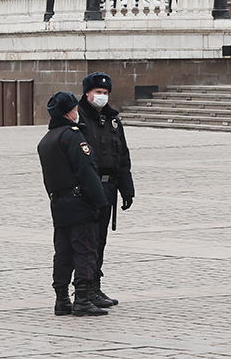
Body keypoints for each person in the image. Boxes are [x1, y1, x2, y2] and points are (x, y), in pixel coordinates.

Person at [37, 91, 109, 317]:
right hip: (80, 202)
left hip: (58, 202)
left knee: (63, 251)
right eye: (75, 109)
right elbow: (86, 170)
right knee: (85, 250)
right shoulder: (73, 136)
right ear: (69, 112)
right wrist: (100, 202)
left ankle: (61, 298)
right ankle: (83, 298)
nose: (78, 112)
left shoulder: (46, 140)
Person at [77, 72, 134, 308]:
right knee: (86, 242)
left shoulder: (112, 120)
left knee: (100, 240)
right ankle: (83, 288)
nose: (102, 97)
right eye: (98, 93)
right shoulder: (78, 117)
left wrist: (126, 188)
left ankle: (95, 287)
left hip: (109, 187)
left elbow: (123, 156)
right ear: (87, 93)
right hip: (88, 188)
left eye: (105, 93)